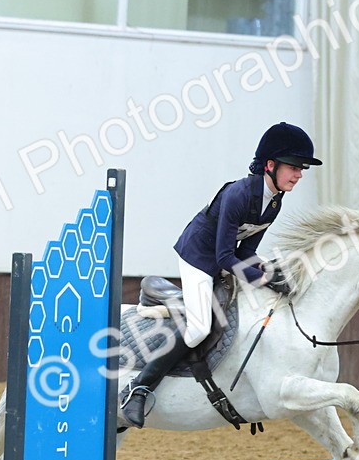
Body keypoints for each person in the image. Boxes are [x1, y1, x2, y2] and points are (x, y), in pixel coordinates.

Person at [120, 121, 323, 428]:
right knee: (199, 328)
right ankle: (138, 388)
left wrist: (269, 269)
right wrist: (262, 277)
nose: (299, 174)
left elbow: (244, 253)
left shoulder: (274, 202)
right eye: (294, 167)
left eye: (302, 168)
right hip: (198, 259)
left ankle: (161, 296)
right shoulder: (238, 194)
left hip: (222, 258)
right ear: (270, 165)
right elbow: (224, 256)